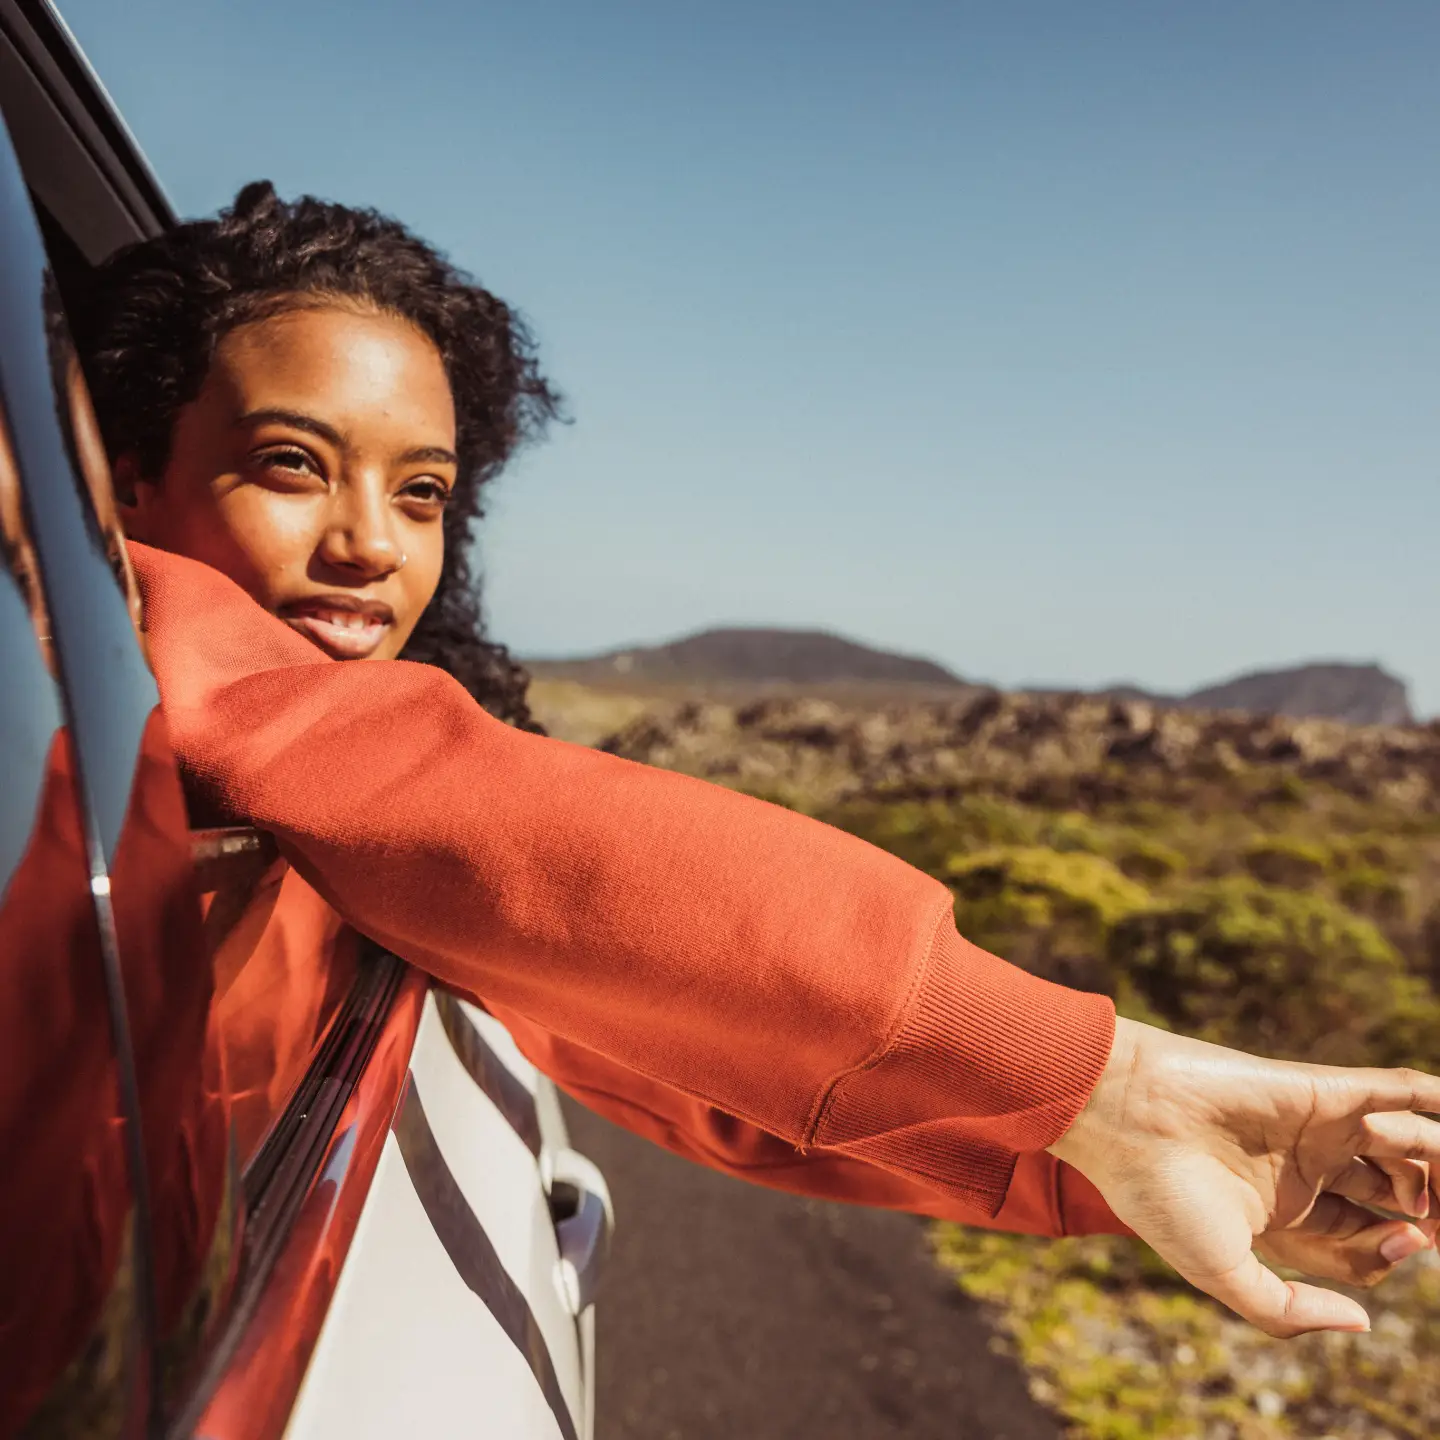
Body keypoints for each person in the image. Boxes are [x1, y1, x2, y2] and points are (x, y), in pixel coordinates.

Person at [72, 181, 1440, 1343]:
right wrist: (1098, 1081)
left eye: (421, 491)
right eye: (292, 464)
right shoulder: (120, 613)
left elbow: (678, 1046)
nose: (371, 541)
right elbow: (455, 800)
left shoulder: (287, 772)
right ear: (127, 474)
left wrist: (1076, 1155)